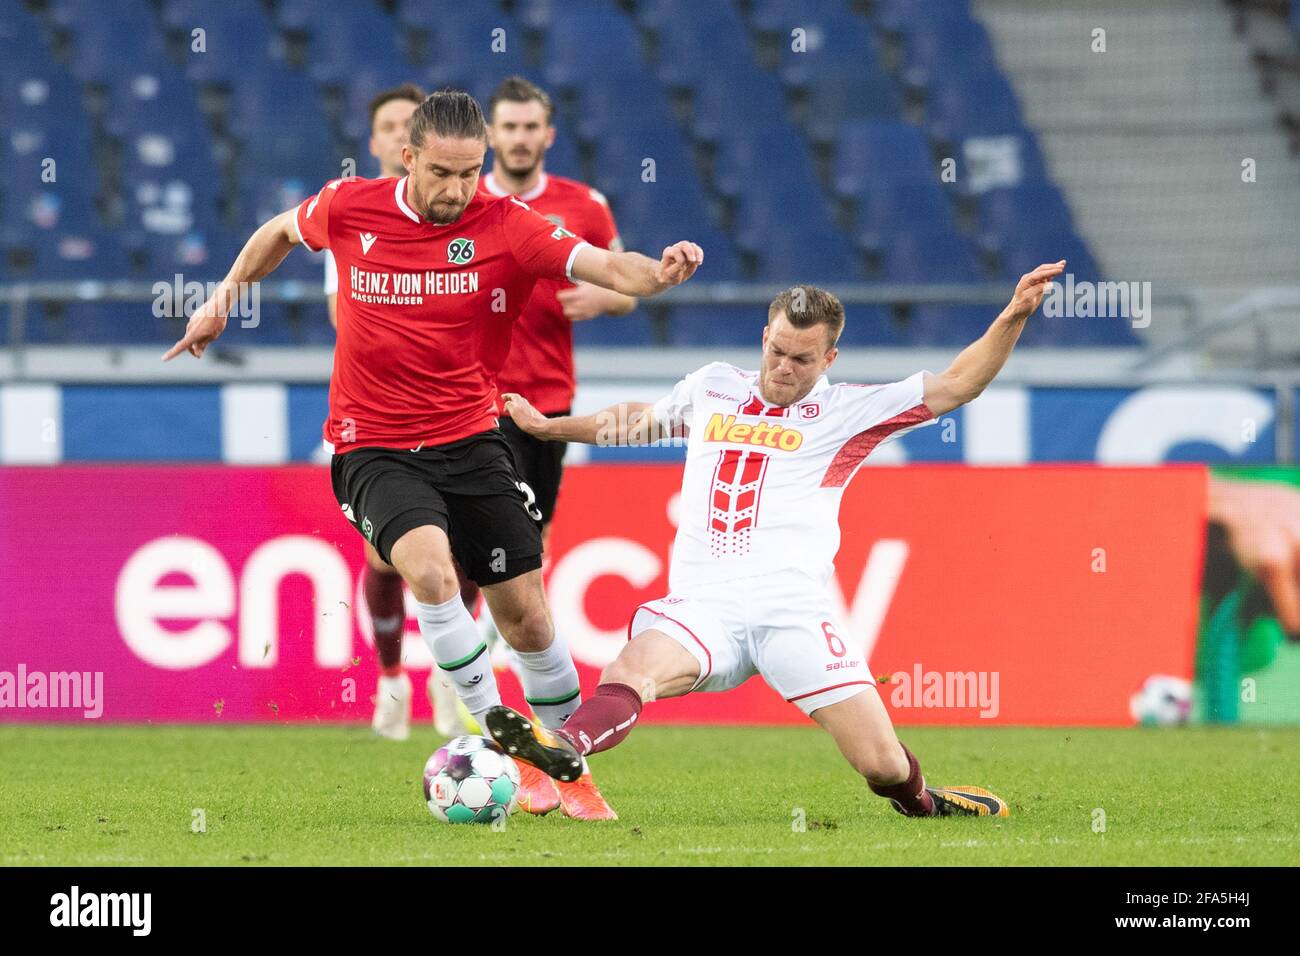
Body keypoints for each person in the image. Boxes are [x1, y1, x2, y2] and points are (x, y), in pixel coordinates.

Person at [163, 89, 704, 820]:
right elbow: (277, 232)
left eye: (469, 174)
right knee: (427, 567)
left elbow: (609, 269)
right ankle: (493, 731)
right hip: (373, 444)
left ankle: (564, 768)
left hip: (472, 440)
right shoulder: (350, 205)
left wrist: (659, 272)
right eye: (443, 174)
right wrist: (222, 297)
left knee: (530, 622)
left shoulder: (508, 223)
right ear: (408, 157)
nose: (457, 190)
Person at [486, 263, 1068, 818]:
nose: (784, 367)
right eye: (777, 351)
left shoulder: (849, 411)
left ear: (829, 357)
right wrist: (547, 426)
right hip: (703, 604)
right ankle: (563, 746)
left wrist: (1015, 312)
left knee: (883, 765)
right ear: (764, 336)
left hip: (792, 610)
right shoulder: (714, 385)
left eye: (802, 359)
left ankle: (923, 802)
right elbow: (642, 421)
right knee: (630, 669)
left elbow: (959, 383)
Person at [321, 82, 433, 743]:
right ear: (374, 141)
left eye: (407, 127)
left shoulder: (465, 214)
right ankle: (392, 677)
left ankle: (448, 678)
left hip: (454, 405)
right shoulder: (352, 214)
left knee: (473, 550)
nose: (397, 137)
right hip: (375, 410)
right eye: (387, 125)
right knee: (387, 554)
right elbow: (345, 316)